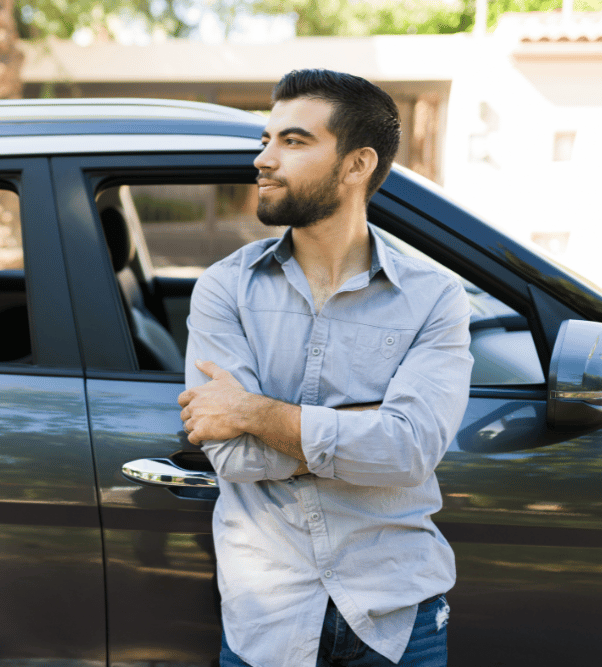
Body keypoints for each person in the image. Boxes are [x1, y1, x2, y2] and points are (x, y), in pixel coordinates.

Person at [176, 69, 473, 667]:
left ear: (356, 164)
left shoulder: (434, 297)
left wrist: (255, 412)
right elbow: (231, 456)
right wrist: (368, 434)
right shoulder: (224, 289)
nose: (264, 159)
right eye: (267, 140)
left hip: (397, 618)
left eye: (292, 141)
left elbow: (410, 451)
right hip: (269, 620)